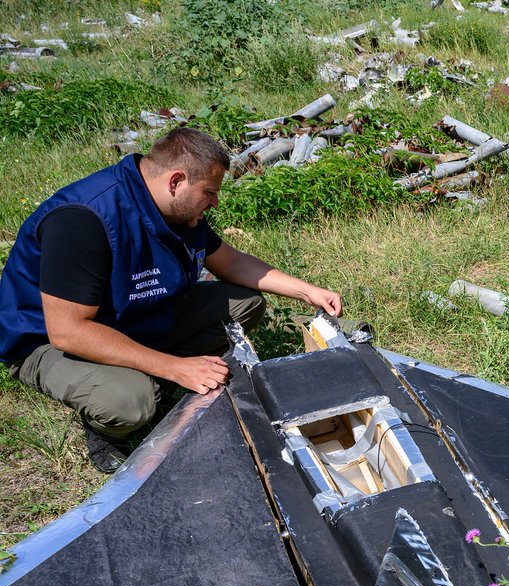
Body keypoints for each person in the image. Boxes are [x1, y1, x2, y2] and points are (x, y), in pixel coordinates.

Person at [0, 127, 342, 472]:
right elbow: (68, 331)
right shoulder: (83, 219)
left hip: (127, 318)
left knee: (244, 303)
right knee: (130, 403)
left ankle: (156, 379)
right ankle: (109, 428)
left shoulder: (175, 209)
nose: (215, 203)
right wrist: (175, 367)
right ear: (176, 181)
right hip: (46, 340)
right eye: (209, 192)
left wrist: (308, 291)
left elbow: (232, 262)